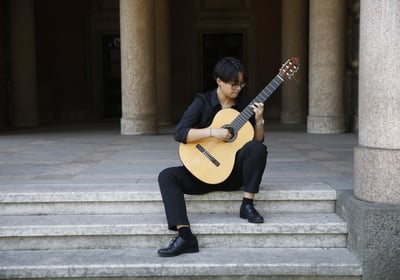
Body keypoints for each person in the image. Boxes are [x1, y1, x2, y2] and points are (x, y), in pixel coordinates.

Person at [157, 57, 268, 257]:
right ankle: (185, 236)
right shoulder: (202, 102)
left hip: (233, 175)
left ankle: (247, 205)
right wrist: (211, 132)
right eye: (234, 84)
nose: (238, 89)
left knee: (257, 149)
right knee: (167, 176)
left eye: (242, 84)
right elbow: (180, 133)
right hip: (203, 173)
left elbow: (257, 142)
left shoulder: (245, 105)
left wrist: (259, 121)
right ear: (219, 81)